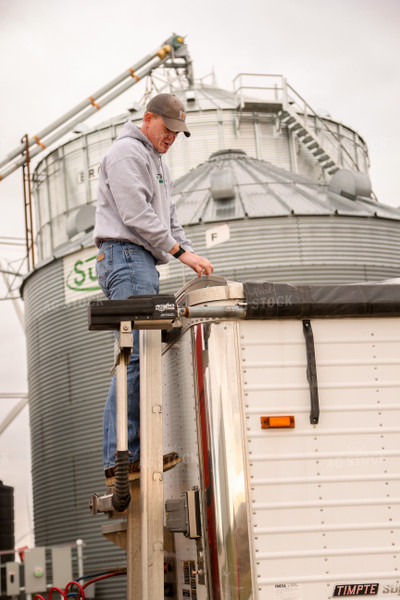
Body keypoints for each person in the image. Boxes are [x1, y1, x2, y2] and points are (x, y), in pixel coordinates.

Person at [93, 93, 214, 478]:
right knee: (133, 357)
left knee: (140, 358)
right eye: (168, 129)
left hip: (140, 260)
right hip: (126, 257)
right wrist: (181, 254)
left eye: (178, 133)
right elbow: (136, 213)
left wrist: (193, 255)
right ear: (148, 119)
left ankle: (133, 455)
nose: (171, 138)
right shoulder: (127, 153)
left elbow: (170, 219)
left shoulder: (157, 163)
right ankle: (123, 458)